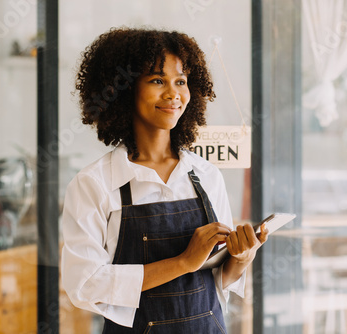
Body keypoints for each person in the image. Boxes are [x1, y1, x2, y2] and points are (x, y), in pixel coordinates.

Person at [61, 27, 268, 333]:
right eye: (157, 80)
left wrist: (241, 256)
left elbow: (219, 278)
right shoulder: (95, 183)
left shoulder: (207, 175)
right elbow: (86, 284)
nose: (173, 94)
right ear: (125, 88)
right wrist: (183, 262)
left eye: (181, 81)